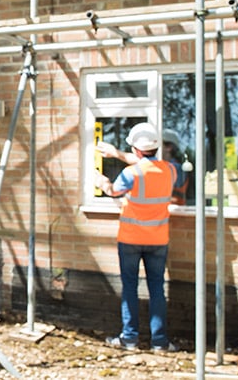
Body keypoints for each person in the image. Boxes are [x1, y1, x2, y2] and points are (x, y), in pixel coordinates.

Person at [93, 122, 179, 353]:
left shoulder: (131, 173)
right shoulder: (170, 170)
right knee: (157, 289)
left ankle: (129, 339)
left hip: (131, 239)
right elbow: (149, 166)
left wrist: (101, 182)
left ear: (136, 150)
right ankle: (159, 342)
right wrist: (117, 154)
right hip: (158, 240)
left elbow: (113, 191)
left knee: (130, 287)